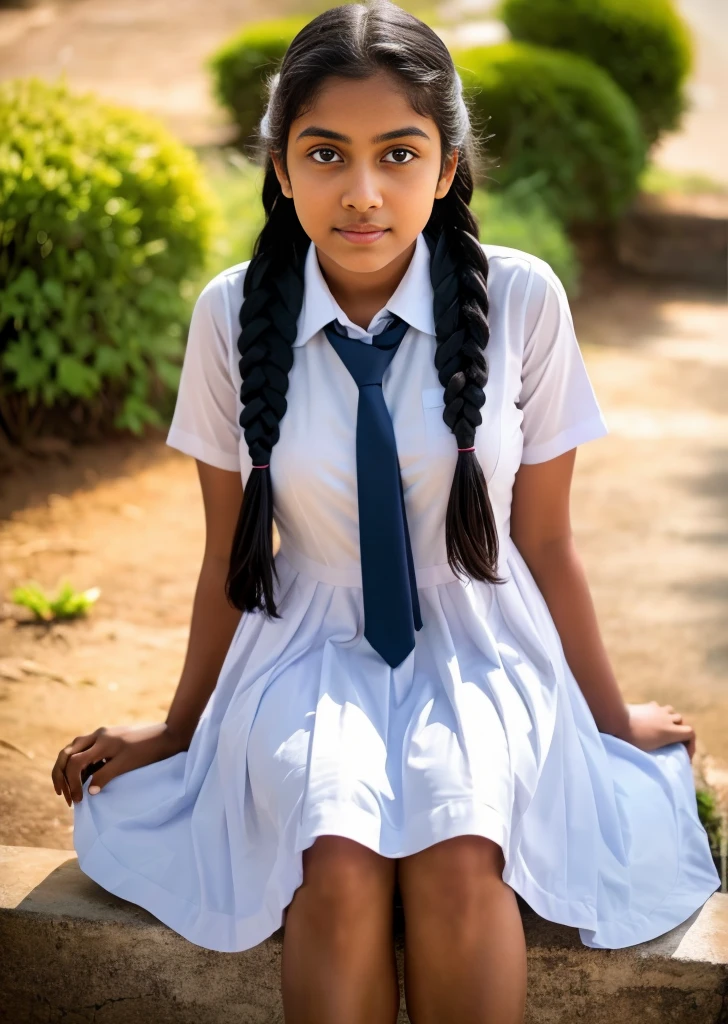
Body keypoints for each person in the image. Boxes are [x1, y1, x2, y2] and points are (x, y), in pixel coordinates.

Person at [52, 2, 721, 1021]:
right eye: (325, 153)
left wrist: (605, 717)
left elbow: (543, 538)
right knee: (337, 856)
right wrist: (182, 725)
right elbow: (228, 556)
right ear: (280, 166)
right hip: (305, 646)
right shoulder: (230, 314)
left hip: (484, 640)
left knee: (460, 856)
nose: (361, 193)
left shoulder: (522, 299)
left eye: (397, 153)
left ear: (446, 166)